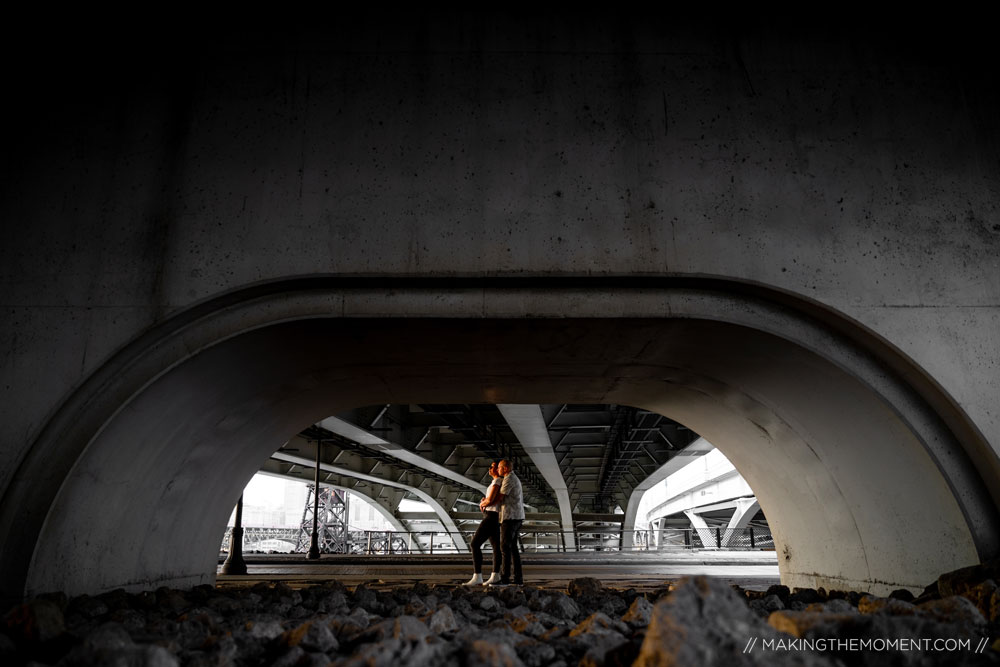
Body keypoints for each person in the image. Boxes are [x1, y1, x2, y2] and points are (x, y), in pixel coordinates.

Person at [463, 462, 503, 585]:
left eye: (492, 467)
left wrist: (483, 503)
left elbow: (491, 500)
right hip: (493, 515)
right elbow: (490, 499)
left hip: (491, 516)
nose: (489, 468)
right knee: (496, 547)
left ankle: (477, 576)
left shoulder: (497, 481)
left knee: (475, 544)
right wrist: (485, 501)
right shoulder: (495, 482)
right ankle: (495, 575)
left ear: (497, 469)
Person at [491, 458, 525, 586]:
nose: (498, 469)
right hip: (516, 517)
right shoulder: (512, 478)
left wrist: (486, 503)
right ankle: (518, 579)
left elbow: (500, 497)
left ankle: (505, 578)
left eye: (499, 467)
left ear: (505, 468)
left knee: (504, 547)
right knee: (513, 549)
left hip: (511, 518)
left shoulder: (509, 479)